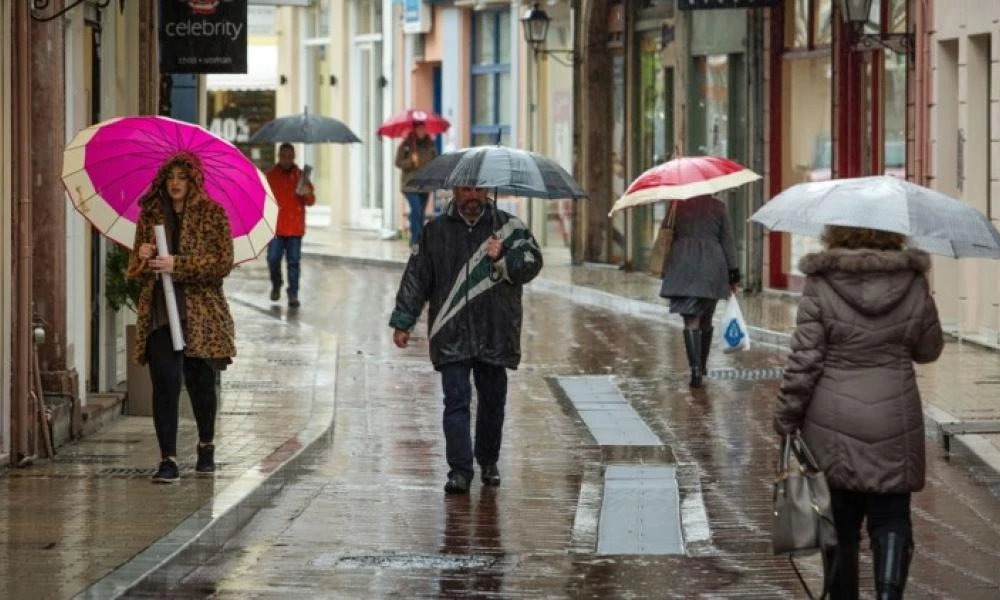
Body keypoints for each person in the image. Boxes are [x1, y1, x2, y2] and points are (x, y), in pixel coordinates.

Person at [774, 226, 944, 600]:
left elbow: (804, 361)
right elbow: (929, 349)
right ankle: (887, 593)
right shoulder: (913, 281)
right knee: (892, 516)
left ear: (837, 232)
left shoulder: (821, 283)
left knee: (839, 525)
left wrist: (786, 417)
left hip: (832, 424)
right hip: (895, 418)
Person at [389, 186, 543, 494]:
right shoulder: (436, 232)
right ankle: (459, 470)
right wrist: (404, 321)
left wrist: (506, 256)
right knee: (455, 401)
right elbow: (417, 276)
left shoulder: (509, 227)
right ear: (455, 191)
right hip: (451, 328)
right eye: (466, 189)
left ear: (487, 191)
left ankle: (488, 460)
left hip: (495, 329)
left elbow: (532, 263)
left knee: (492, 402)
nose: (472, 195)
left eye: (478, 189)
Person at [127, 152, 237, 484]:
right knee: (165, 383)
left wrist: (179, 265)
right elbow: (134, 268)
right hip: (161, 312)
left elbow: (222, 264)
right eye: (171, 176)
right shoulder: (151, 214)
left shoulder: (213, 214)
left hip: (200, 315)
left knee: (201, 383)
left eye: (183, 177)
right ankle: (168, 460)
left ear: (194, 181)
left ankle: (205, 445)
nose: (176, 183)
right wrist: (144, 256)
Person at [658, 195, 740, 387]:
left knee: (690, 320)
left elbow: (666, 234)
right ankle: (701, 365)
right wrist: (733, 274)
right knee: (706, 318)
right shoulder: (719, 206)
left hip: (683, 264)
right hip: (712, 266)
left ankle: (695, 371)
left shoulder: (676, 205)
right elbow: (727, 240)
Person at [266, 143, 315, 308]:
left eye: (289, 156)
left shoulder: (301, 176)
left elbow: (311, 201)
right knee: (273, 259)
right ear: (279, 156)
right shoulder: (270, 176)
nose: (286, 159)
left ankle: (293, 293)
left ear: (294, 157)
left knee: (293, 263)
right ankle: (276, 284)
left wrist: (307, 193)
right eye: (283, 156)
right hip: (276, 228)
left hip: (295, 228)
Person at [395, 122, 438, 250]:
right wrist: (410, 161)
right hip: (410, 184)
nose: (421, 131)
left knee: (421, 213)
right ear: (414, 130)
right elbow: (398, 162)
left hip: (424, 184)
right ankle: (416, 238)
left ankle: (418, 239)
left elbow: (436, 160)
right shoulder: (406, 144)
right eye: (419, 129)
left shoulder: (429, 144)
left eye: (423, 129)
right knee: (416, 209)